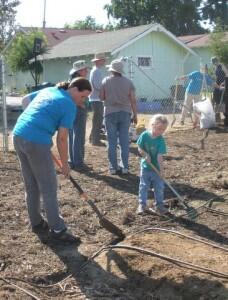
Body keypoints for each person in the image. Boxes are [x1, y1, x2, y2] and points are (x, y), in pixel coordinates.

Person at [13, 78, 92, 243]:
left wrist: (35, 122)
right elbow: (62, 139)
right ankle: (58, 229)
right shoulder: (69, 104)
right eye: (83, 96)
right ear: (75, 89)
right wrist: (65, 165)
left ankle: (36, 223)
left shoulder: (50, 90)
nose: (82, 100)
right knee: (49, 187)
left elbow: (25, 100)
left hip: (19, 134)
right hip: (36, 141)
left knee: (31, 184)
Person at [100, 59, 137, 175]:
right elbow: (133, 100)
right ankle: (125, 167)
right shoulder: (128, 82)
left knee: (111, 142)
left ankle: (113, 167)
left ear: (111, 70)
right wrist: (135, 114)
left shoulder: (105, 80)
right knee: (124, 141)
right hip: (125, 112)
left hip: (110, 112)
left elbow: (101, 97)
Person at [136, 114, 168, 215]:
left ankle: (159, 205)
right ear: (152, 125)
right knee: (144, 186)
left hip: (156, 169)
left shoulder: (161, 140)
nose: (161, 132)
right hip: (145, 167)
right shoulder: (144, 135)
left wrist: (161, 171)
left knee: (159, 186)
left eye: (163, 129)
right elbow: (139, 147)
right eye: (159, 129)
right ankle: (142, 205)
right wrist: (145, 154)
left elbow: (159, 156)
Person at [68, 60, 90, 170]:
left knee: (72, 135)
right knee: (79, 136)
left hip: (71, 110)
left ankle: (72, 160)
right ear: (79, 71)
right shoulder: (80, 82)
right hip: (78, 110)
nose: (87, 71)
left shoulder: (72, 80)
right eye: (85, 69)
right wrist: (81, 104)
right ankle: (78, 162)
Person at [89, 53, 106, 146]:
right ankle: (95, 140)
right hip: (96, 98)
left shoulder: (95, 70)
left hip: (95, 98)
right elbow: (98, 85)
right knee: (98, 120)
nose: (104, 61)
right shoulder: (97, 71)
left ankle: (93, 138)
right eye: (103, 60)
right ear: (98, 61)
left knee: (97, 119)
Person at [211, 57, 227, 124]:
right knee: (216, 99)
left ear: (216, 61)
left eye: (214, 62)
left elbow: (227, 74)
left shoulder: (222, 66)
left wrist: (224, 82)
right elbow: (217, 77)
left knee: (224, 101)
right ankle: (217, 118)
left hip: (224, 85)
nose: (213, 64)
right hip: (218, 86)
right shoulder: (216, 68)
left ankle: (226, 117)